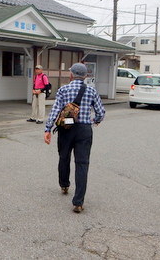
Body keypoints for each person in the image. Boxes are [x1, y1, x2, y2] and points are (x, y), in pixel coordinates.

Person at [43, 63, 105, 213]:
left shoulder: (63, 89)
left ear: (71, 75)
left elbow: (55, 110)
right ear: (85, 76)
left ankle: (64, 185)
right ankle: (78, 202)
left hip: (66, 128)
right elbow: (100, 112)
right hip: (84, 129)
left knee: (64, 157)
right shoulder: (91, 90)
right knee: (82, 164)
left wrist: (48, 129)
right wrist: (95, 121)